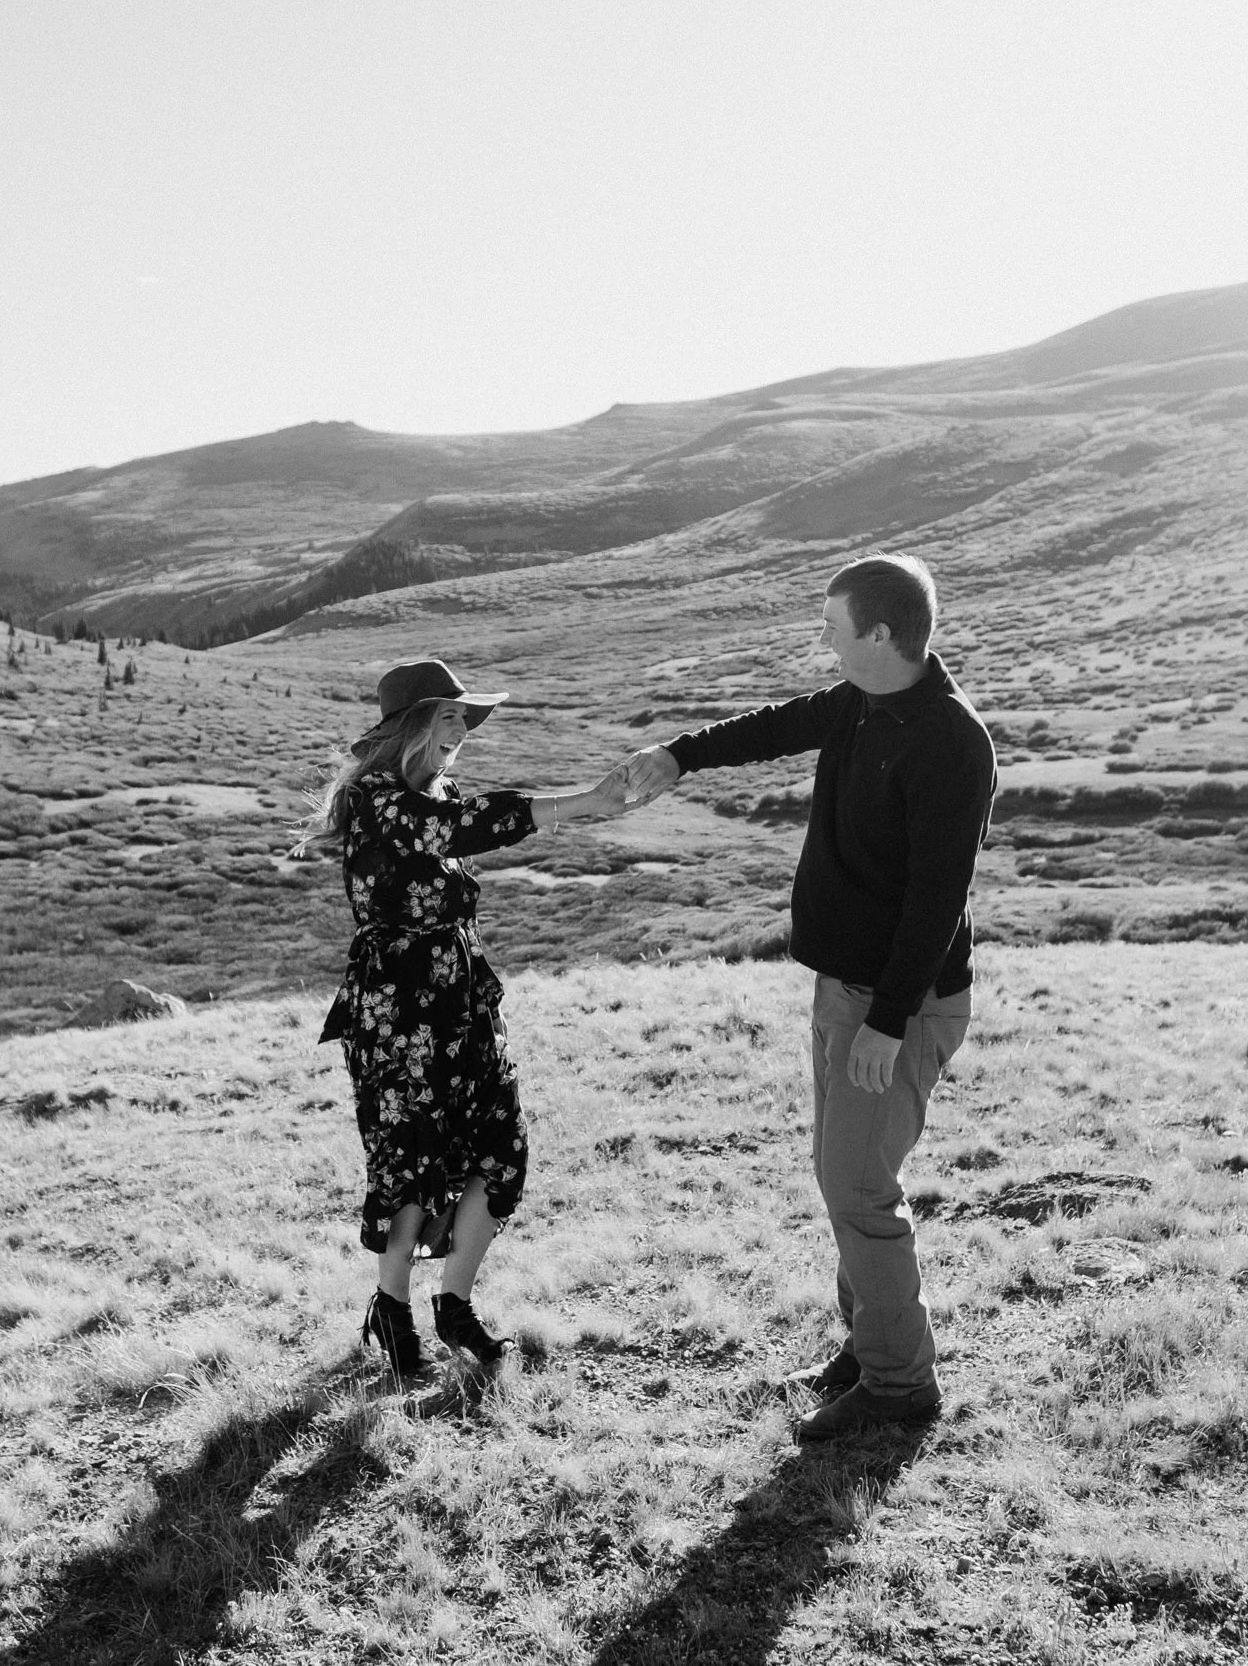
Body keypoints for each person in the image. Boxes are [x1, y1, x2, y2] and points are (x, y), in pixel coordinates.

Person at [621, 555, 995, 1441]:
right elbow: (776, 726)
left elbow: (937, 900)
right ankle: (871, 1350)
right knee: (842, 1177)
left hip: (897, 1004)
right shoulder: (861, 701)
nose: (822, 641)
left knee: (859, 1185)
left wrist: (887, 1019)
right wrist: (681, 754)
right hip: (846, 990)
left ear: (880, 635)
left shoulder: (950, 740)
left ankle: (901, 1390)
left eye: (833, 627)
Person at [302, 658, 628, 1380]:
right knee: (415, 1161)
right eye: (447, 713)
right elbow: (469, 825)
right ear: (412, 725)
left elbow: (458, 822)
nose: (461, 727)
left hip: (459, 995)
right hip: (399, 1005)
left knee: (500, 1148)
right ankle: (393, 1307)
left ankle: (455, 1305)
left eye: (462, 715)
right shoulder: (380, 801)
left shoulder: (432, 791)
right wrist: (589, 801)